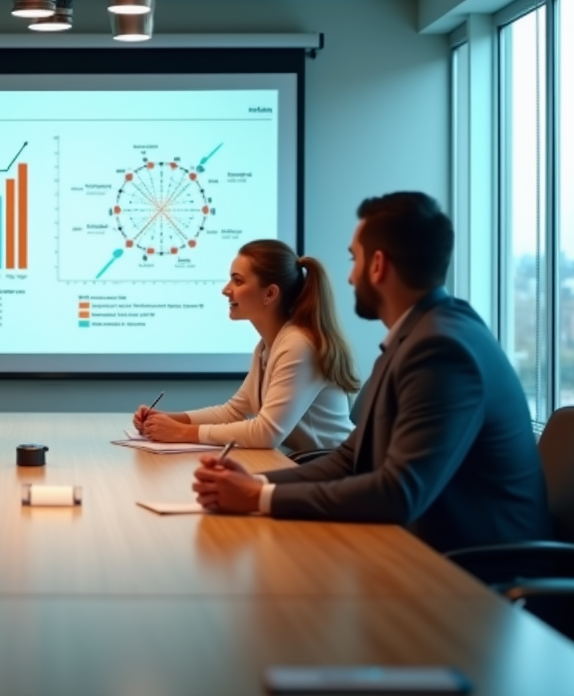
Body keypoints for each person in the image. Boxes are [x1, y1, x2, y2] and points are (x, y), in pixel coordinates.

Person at [192, 193, 554, 553]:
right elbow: (351, 459)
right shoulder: (417, 337)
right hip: (437, 548)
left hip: (482, 572)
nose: (349, 277)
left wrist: (261, 496)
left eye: (354, 259)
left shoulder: (442, 350)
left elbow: (399, 493)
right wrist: (254, 483)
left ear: (377, 265)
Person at [132, 240, 359, 453]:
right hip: (310, 466)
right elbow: (233, 412)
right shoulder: (266, 347)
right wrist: (169, 419)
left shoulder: (299, 345)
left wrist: (182, 433)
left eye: (238, 281)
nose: (226, 289)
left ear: (270, 293)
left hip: (338, 472)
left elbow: (266, 433)